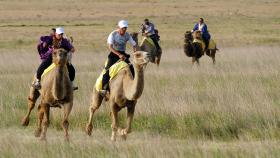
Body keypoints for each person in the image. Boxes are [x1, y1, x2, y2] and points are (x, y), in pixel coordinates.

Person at [100, 20, 137, 95]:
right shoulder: (113, 34)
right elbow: (110, 47)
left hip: (123, 54)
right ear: (119, 27)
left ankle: (132, 86)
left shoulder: (127, 35)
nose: (124, 30)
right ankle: (104, 89)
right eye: (123, 28)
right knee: (107, 70)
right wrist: (119, 55)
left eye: (125, 28)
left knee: (132, 68)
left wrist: (135, 53)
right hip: (114, 54)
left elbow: (134, 44)